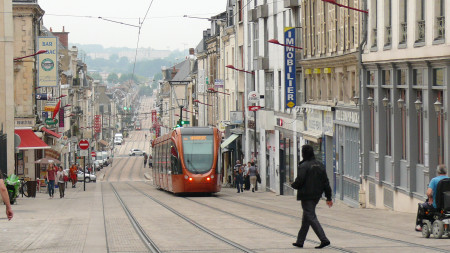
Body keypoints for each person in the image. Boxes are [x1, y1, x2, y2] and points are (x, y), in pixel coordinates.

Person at [291, 144, 332, 249]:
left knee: (311, 217)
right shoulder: (320, 165)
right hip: (317, 195)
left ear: (303, 153)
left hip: (306, 195)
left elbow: (300, 180)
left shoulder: (304, 166)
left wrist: (293, 185)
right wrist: (329, 197)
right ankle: (300, 241)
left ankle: (324, 239)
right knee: (306, 218)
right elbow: (326, 182)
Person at [415, 165, 449, 231]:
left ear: (438, 172)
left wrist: (430, 198)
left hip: (437, 205)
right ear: (446, 172)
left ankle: (420, 225)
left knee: (422, 206)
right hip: (448, 206)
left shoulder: (434, 180)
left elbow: (428, 192)